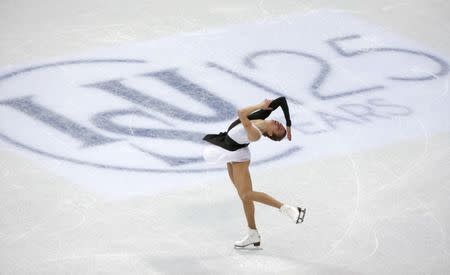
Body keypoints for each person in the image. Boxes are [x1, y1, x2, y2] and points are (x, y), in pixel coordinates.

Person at [202, 96, 306, 248]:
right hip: (230, 151)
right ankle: (253, 233)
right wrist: (288, 125)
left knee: (246, 194)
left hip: (239, 157)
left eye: (278, 129)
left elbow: (241, 113)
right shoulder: (263, 117)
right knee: (243, 196)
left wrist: (260, 105)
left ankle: (288, 209)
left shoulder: (256, 134)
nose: (279, 124)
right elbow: (282, 100)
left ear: (270, 134)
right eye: (280, 124)